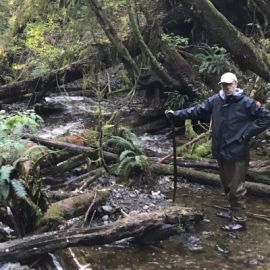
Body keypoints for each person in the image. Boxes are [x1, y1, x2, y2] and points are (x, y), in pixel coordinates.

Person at [165, 72, 270, 231]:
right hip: (221, 150)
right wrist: (176, 114)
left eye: (229, 84)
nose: (227, 87)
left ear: (236, 84)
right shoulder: (216, 100)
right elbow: (197, 111)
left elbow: (266, 117)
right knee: (227, 186)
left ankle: (240, 221)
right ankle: (232, 212)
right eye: (224, 85)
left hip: (238, 152)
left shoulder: (247, 103)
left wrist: (247, 133)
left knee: (236, 189)